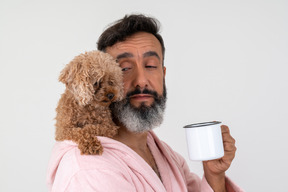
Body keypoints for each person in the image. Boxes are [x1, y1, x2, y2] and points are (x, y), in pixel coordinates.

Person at [47, 14, 243, 192]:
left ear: (163, 75)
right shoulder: (88, 168)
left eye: (150, 66)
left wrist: (213, 174)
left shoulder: (165, 155)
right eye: (124, 69)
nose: (141, 80)